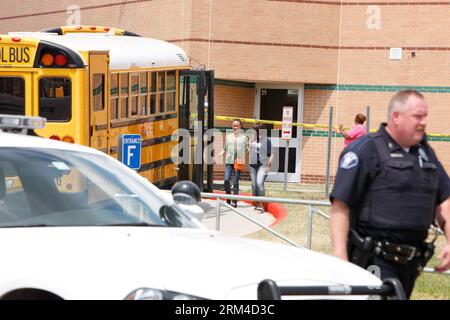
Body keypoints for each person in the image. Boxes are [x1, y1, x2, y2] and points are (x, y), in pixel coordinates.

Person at [330, 90, 450, 299]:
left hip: (412, 263)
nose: (423, 122)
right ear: (396, 116)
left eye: (425, 116)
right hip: (375, 261)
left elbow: (444, 200)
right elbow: (341, 205)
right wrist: (340, 259)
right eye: (417, 116)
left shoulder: (425, 153)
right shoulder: (367, 149)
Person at [215, 119, 248, 208]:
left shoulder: (244, 138)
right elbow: (225, 149)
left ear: (240, 127)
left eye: (237, 125)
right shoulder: (228, 136)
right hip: (229, 161)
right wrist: (218, 155)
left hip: (239, 161)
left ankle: (234, 201)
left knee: (235, 182)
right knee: (226, 180)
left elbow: (247, 148)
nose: (235, 127)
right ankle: (228, 198)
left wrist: (253, 148)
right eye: (234, 125)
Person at [249, 123, 273, 212]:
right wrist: (250, 144)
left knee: (259, 183)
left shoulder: (266, 141)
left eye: (254, 130)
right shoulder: (252, 140)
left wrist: (269, 165)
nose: (252, 132)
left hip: (263, 165)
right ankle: (256, 203)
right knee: (254, 185)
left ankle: (261, 205)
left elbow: (271, 154)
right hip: (252, 165)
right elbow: (249, 151)